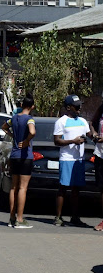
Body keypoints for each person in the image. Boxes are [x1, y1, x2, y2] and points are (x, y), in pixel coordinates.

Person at [53, 95, 89, 227]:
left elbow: (91, 134)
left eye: (80, 105)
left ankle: (75, 217)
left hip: (79, 159)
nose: (79, 108)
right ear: (68, 107)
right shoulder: (61, 122)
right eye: (76, 105)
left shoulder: (83, 121)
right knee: (63, 188)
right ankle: (58, 217)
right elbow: (56, 141)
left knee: (76, 189)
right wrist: (73, 141)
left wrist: (95, 137)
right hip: (67, 158)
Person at [2, 96, 36, 228]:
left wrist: (13, 136)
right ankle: (20, 219)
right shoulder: (29, 119)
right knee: (23, 188)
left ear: (22, 104)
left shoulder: (14, 118)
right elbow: (32, 132)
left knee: (13, 187)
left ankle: (11, 217)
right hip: (25, 156)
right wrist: (27, 141)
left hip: (14, 154)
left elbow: (4, 127)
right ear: (32, 106)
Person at [89, 98, 103, 231]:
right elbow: (92, 122)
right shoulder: (101, 108)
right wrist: (94, 133)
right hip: (100, 153)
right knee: (101, 189)